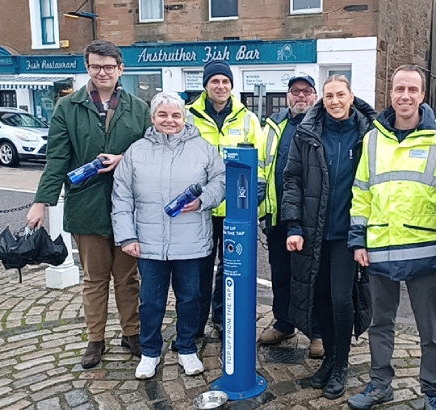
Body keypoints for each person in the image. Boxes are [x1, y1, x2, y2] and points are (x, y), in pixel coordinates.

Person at [26, 40, 151, 369]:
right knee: (94, 279)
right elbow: (57, 159)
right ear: (88, 68)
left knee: (128, 279)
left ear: (121, 69)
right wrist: (41, 202)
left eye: (109, 67)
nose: (103, 72)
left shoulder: (139, 108)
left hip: (129, 208)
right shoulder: (67, 108)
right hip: (87, 205)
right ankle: (96, 339)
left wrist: (124, 158)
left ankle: (132, 333)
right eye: (96, 66)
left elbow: (153, 152)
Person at [347, 65, 436, 410]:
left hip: (426, 251)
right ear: (391, 94)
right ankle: (380, 385)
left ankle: (433, 393)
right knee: (380, 324)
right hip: (380, 249)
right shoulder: (372, 139)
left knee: (430, 331)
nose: (405, 96)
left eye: (413, 89)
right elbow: (361, 193)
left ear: (423, 95)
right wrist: (358, 240)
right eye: (400, 89)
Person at [112, 91, 226, 379]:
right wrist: (127, 236)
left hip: (191, 242)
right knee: (151, 300)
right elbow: (122, 196)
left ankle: (187, 348)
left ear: (184, 118)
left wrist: (204, 200)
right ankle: (150, 352)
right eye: (162, 114)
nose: (169, 120)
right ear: (153, 118)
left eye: (176, 115)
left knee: (190, 298)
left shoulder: (203, 148)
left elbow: (221, 180)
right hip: (149, 244)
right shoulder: (136, 151)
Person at [280, 74, 377, 399]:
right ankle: (329, 362)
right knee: (318, 296)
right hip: (313, 230)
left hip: (348, 234)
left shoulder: (368, 133)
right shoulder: (307, 133)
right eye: (329, 95)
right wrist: (293, 225)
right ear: (323, 98)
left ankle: (341, 364)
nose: (335, 101)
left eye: (341, 94)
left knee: (340, 299)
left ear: (351, 96)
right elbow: (292, 178)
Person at [185, 60, 264, 340]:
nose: (221, 86)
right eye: (215, 81)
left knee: (230, 268)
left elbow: (260, 159)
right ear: (205, 85)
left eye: (225, 82)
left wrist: (260, 187)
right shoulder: (187, 117)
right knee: (198, 270)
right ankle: (194, 326)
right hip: (199, 209)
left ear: (232, 85)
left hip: (235, 210)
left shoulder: (247, 119)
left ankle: (222, 318)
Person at [257, 74, 324, 358]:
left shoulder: (323, 124)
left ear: (315, 95)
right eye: (295, 91)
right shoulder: (274, 125)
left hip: (314, 219)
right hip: (279, 216)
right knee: (281, 275)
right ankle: (284, 322)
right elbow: (262, 166)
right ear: (287, 96)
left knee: (314, 277)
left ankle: (317, 331)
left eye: (307, 91)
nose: (301, 96)